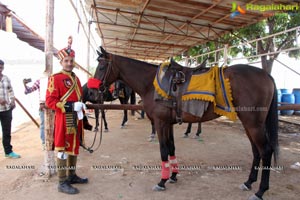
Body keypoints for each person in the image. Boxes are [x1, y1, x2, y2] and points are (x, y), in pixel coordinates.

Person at [46, 36, 88, 194]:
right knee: (62, 149)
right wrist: (71, 106)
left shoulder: (76, 79)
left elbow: (78, 98)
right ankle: (62, 182)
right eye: (67, 61)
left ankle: (71, 175)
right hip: (63, 120)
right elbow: (50, 101)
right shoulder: (54, 78)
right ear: (61, 62)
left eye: (72, 60)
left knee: (74, 147)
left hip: (75, 121)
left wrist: (81, 108)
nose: (70, 63)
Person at [0, 59, 20, 158]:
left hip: (6, 109)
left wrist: (12, 101)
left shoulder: (6, 78)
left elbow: (11, 90)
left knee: (6, 132)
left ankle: (8, 152)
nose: (0, 69)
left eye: (1, 67)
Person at [23, 73, 48, 149]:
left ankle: (52, 142)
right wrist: (25, 85)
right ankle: (44, 143)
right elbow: (28, 91)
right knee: (43, 125)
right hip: (43, 106)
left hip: (52, 106)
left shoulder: (54, 80)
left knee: (53, 125)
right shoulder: (40, 81)